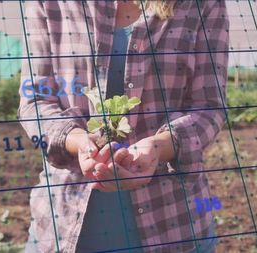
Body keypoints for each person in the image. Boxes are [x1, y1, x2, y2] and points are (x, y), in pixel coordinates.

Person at [18, 0, 229, 252]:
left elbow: (208, 106)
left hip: (173, 223)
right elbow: (35, 101)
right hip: (62, 225)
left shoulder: (202, 4)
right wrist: (77, 141)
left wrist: (158, 147)